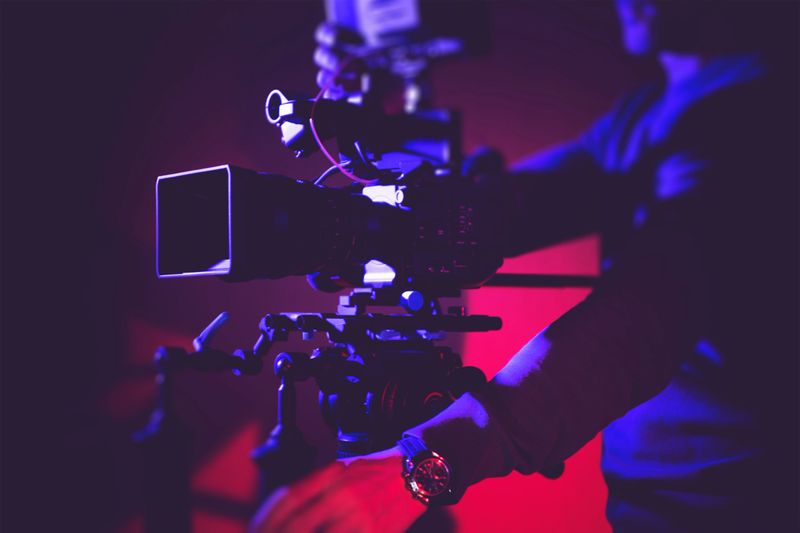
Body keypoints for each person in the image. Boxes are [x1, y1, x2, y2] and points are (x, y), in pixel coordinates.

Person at [252, 1, 799, 531]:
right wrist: (368, 122)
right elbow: (480, 217)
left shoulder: (763, 108)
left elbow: (646, 319)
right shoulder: (644, 115)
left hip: (749, 503)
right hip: (652, 505)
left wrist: (427, 462)